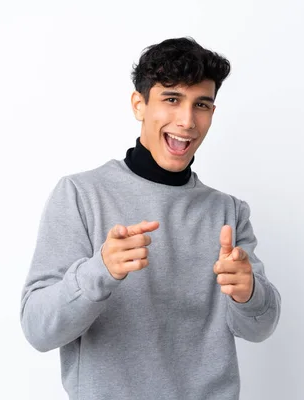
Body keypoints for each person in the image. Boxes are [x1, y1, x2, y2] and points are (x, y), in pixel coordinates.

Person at [20, 37, 281, 400]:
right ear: (139, 105)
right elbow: (38, 329)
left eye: (201, 104)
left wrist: (248, 292)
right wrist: (101, 271)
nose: (187, 121)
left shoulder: (229, 211)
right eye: (171, 99)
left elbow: (259, 328)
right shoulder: (81, 195)